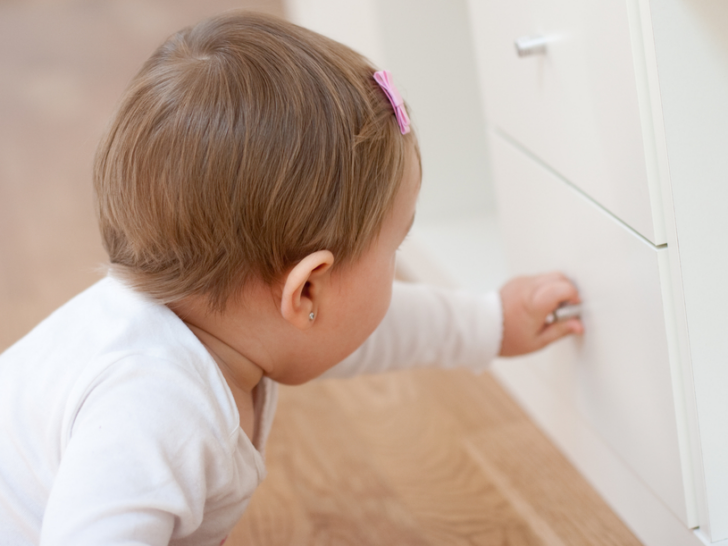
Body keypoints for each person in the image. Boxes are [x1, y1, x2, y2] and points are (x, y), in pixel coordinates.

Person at [0, 11, 583, 546]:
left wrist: (490, 322)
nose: (394, 267)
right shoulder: (153, 416)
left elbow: (364, 323)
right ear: (306, 289)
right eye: (394, 245)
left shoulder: (233, 319)